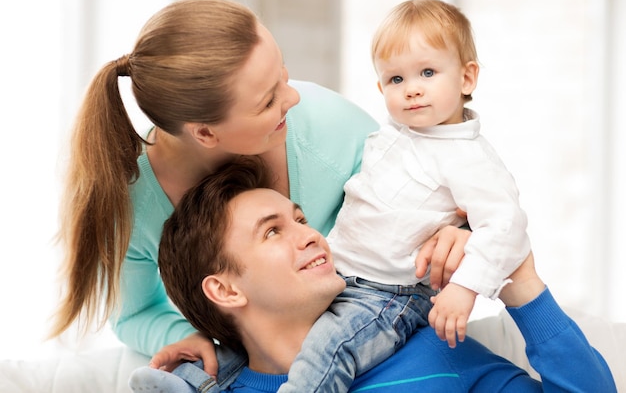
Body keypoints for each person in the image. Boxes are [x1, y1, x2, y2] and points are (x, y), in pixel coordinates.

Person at [48, 0, 404, 374]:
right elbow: (135, 313)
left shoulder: (330, 126)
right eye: (268, 101)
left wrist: (457, 231)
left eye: (282, 74)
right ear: (204, 132)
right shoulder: (133, 207)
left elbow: (436, 197)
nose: (294, 96)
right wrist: (181, 336)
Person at [129, 157, 616, 392]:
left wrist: (521, 283)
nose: (310, 235)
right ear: (225, 289)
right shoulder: (213, 387)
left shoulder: (434, 347)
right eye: (273, 232)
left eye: (300, 219)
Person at [270, 0, 532, 391]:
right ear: (380, 87)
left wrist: (464, 287)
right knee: (269, 332)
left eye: (427, 72)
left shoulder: (468, 157)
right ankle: (196, 381)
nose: (411, 90)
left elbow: (506, 226)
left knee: (327, 351)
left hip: (388, 296)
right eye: (396, 80)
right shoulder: (392, 134)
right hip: (339, 273)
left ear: (466, 78)